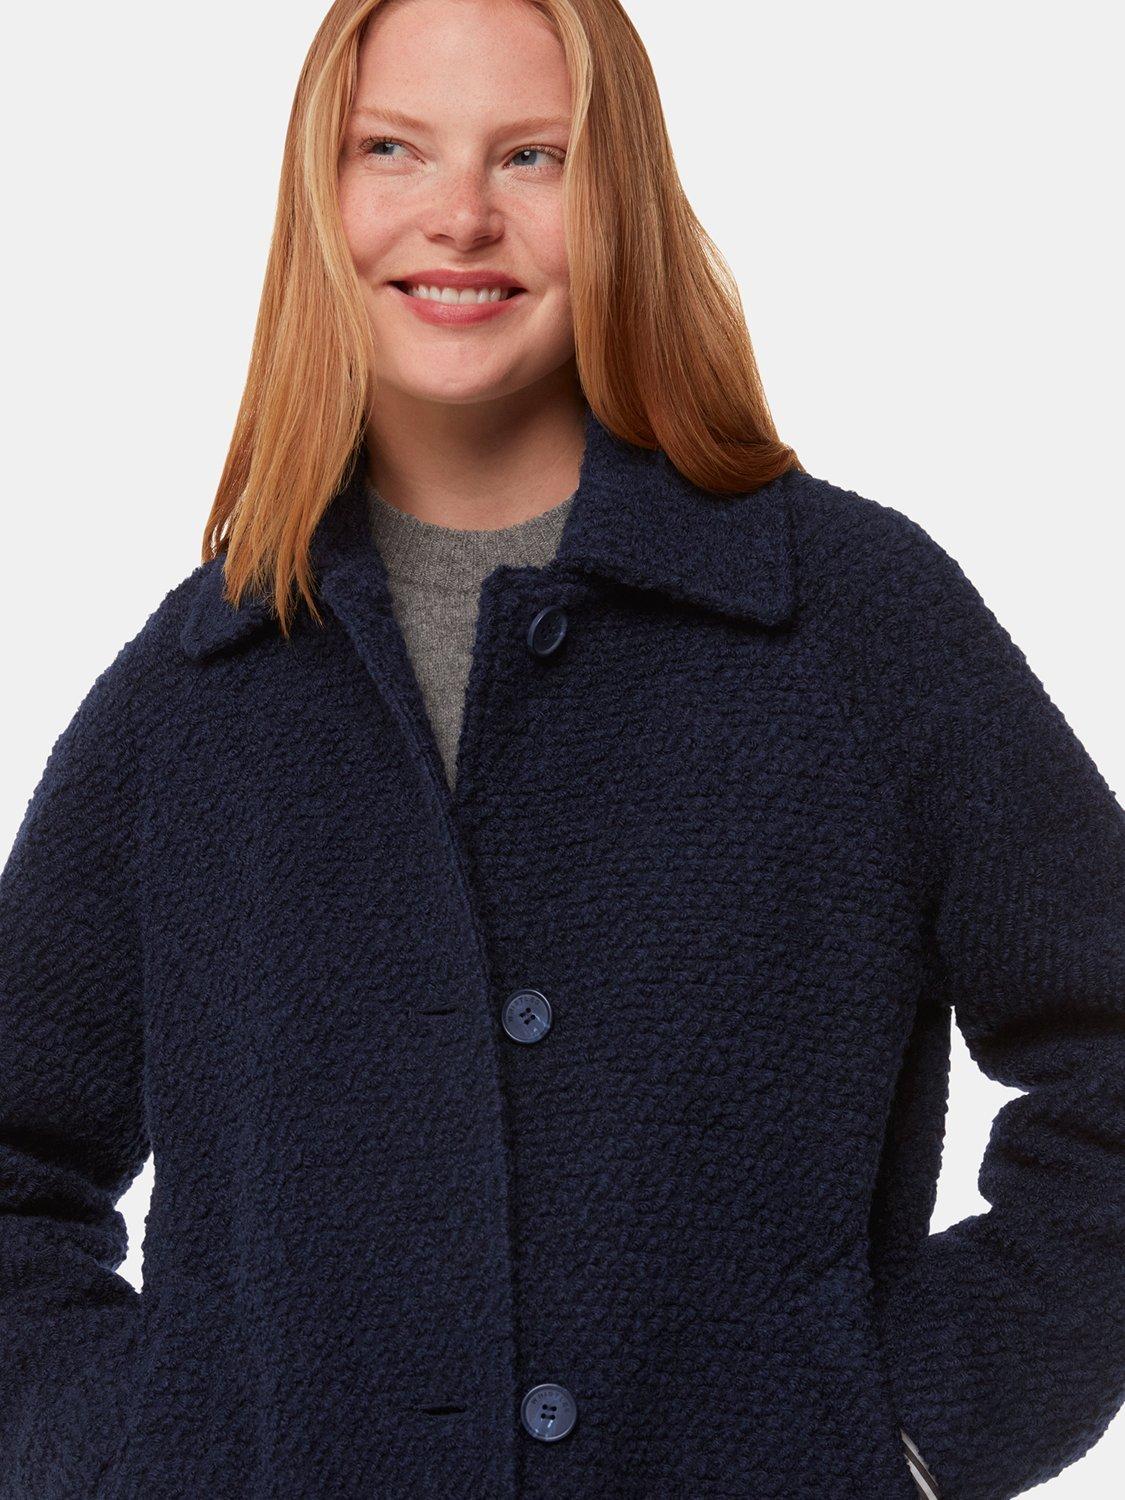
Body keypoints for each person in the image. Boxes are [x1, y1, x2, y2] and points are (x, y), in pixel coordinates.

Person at [0, 1, 1120, 1496]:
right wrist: (132, 1450)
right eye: (391, 149)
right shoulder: (199, 682)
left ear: (621, 201)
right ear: (319, 200)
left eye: (532, 156)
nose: (459, 216)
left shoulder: (849, 621)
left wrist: (911, 1423)